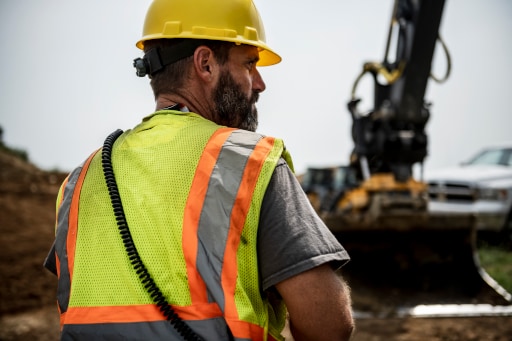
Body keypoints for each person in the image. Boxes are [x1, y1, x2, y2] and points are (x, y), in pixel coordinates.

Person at [44, 0, 354, 340]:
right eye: (249, 64)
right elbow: (330, 324)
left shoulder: (81, 180)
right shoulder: (250, 163)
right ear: (205, 63)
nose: (260, 83)